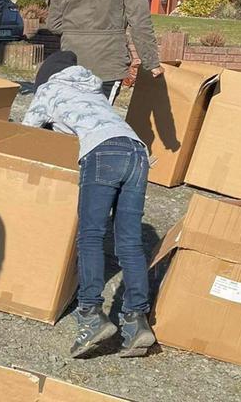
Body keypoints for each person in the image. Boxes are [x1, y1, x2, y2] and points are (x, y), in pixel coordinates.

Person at [23, 51, 156, 359]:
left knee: (91, 237)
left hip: (102, 152)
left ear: (46, 76)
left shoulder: (48, 89)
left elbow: (27, 133)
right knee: (130, 244)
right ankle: (137, 322)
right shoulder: (91, 89)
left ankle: (91, 316)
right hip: (137, 151)